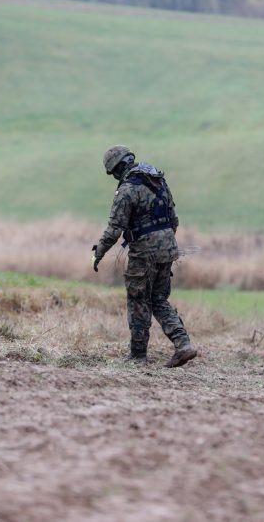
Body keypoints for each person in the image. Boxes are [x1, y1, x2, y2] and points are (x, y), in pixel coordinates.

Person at [91, 145, 198, 368]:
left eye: (113, 173)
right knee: (159, 299)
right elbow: (174, 219)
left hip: (144, 251)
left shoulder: (128, 190)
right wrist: (164, 245)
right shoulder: (159, 182)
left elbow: (114, 229)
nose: (115, 177)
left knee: (138, 299)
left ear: (119, 167)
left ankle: (138, 355)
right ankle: (183, 344)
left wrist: (98, 253)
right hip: (168, 247)